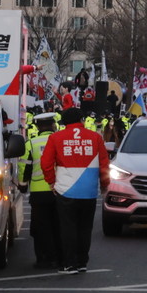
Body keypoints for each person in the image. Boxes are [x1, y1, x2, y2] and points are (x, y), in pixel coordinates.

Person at [41, 107, 110, 274]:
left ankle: (69, 263)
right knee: (85, 228)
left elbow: (46, 163)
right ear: (81, 120)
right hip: (89, 191)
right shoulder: (96, 137)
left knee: (67, 227)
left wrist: (51, 182)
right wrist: (104, 184)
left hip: (65, 190)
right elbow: (104, 164)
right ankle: (82, 262)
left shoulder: (55, 137)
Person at [18, 112, 62, 269]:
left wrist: (22, 185)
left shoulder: (31, 143)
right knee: (59, 225)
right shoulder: (60, 142)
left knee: (41, 227)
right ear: (53, 125)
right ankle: (59, 258)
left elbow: (24, 166)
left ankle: (43, 259)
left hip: (38, 194)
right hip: (60, 191)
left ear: (37, 127)